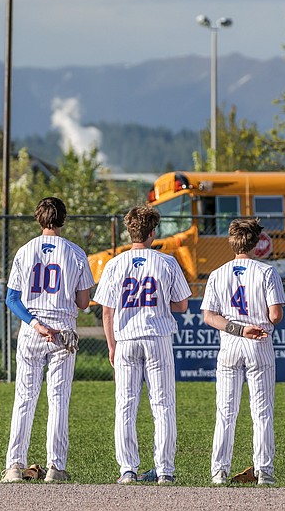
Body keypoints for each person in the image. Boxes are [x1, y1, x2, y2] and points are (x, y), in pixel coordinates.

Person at [1, 197, 95, 484]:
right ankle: (55, 467)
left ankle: (14, 467)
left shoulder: (25, 250)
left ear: (38, 219)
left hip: (32, 329)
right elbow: (83, 301)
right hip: (62, 330)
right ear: (63, 219)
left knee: (24, 400)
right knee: (58, 400)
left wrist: (34, 323)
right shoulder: (76, 253)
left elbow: (12, 299)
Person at [95, 205, 191, 485]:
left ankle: (128, 469)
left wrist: (111, 346)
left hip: (125, 338)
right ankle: (165, 470)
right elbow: (182, 304)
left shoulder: (115, 263)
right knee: (162, 405)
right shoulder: (166, 262)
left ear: (130, 231)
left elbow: (107, 311)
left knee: (125, 405)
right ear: (153, 232)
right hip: (156, 336)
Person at [201, 218, 285, 486]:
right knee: (261, 412)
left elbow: (209, 316)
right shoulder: (266, 272)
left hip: (231, 341)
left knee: (226, 412)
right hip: (258, 341)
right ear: (257, 242)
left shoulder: (218, 273)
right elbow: (275, 315)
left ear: (232, 242)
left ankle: (219, 471)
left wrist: (237, 328)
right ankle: (264, 472)